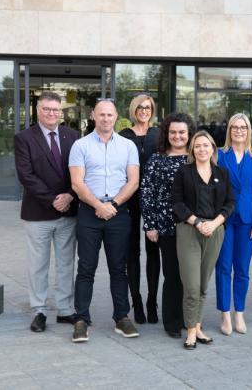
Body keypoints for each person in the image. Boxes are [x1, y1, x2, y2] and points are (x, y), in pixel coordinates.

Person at [68, 98, 140, 343]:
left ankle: (121, 317)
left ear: (116, 116)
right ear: (93, 116)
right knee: (86, 268)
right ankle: (81, 320)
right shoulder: (80, 145)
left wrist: (114, 205)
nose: (106, 119)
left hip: (118, 213)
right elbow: (77, 182)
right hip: (90, 212)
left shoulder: (128, 146)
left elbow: (133, 181)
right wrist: (99, 205)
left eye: (110, 115)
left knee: (119, 269)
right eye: (101, 115)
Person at [14, 91, 79, 333]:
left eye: (56, 110)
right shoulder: (24, 138)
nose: (52, 113)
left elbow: (81, 170)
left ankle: (64, 310)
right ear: (38, 110)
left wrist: (71, 195)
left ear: (61, 112)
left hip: (68, 211)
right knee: (38, 265)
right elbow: (26, 176)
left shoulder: (73, 136)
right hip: (38, 212)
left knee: (65, 263)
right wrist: (53, 200)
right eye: (46, 109)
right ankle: (39, 310)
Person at [172, 131, 235, 349]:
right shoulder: (184, 172)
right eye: (197, 146)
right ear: (192, 150)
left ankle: (197, 326)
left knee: (203, 284)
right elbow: (177, 203)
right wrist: (198, 222)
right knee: (191, 284)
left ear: (213, 149)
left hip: (215, 231)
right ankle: (190, 331)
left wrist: (215, 223)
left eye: (206, 145)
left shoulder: (222, 173)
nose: (202, 149)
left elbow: (229, 203)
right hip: (190, 230)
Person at [140, 112, 196, 339]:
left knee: (190, 276)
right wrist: (151, 225)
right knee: (172, 275)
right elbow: (147, 194)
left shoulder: (196, 158)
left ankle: (188, 317)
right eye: (173, 132)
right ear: (166, 134)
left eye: (182, 132)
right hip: (166, 227)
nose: (177, 136)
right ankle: (172, 322)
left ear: (189, 134)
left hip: (193, 226)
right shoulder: (157, 159)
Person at [215, 113, 252, 336]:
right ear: (229, 130)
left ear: (249, 131)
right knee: (224, 267)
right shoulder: (219, 155)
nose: (238, 131)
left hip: (247, 220)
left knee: (242, 269)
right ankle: (225, 313)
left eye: (243, 127)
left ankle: (240, 313)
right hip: (223, 219)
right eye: (234, 127)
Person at [119, 94, 160, 324]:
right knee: (131, 252)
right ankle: (136, 301)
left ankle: (152, 301)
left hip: (155, 201)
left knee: (153, 251)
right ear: (133, 110)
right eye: (140, 107)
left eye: (148, 107)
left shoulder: (160, 135)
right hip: (130, 199)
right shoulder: (123, 136)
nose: (144, 110)